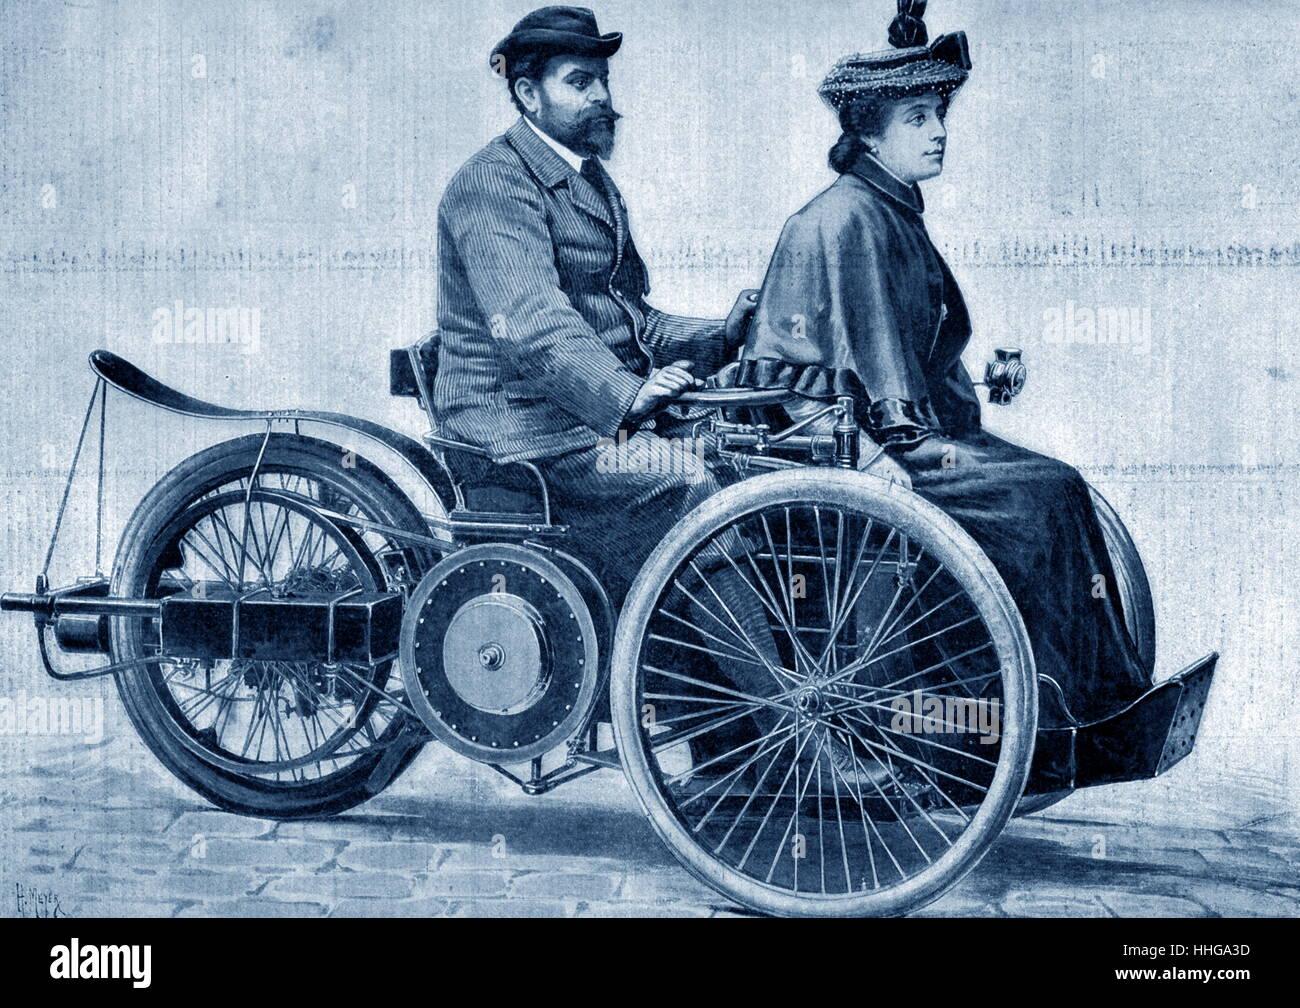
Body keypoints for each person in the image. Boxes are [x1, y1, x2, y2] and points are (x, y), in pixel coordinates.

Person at [738, 0, 1151, 724]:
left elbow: (899, 354)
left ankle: (1088, 705)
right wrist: (878, 450)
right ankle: (1033, 717)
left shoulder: (887, 211)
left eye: (939, 113)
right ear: (869, 133)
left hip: (906, 437)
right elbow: (801, 379)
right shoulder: (841, 221)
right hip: (849, 455)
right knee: (1041, 499)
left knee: (1058, 490)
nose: (940, 132)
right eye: (919, 118)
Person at [433, 5, 759, 605]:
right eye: (580, 82)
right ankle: (771, 693)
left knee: (747, 457)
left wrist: (723, 335)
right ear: (528, 94)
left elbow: (632, 319)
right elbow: (531, 325)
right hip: (519, 430)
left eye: (603, 80)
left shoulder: (592, 180)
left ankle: (679, 672)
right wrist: (627, 394)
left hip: (580, 420)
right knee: (686, 481)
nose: (602, 96)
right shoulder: (492, 183)